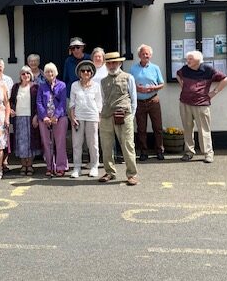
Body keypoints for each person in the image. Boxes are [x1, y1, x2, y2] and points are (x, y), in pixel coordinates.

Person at [176, 50, 227, 163]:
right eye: (187, 58)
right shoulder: (185, 69)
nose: (188, 61)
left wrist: (213, 92)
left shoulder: (207, 69)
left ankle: (208, 153)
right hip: (185, 103)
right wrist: (183, 87)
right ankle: (189, 152)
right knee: (187, 129)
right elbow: (178, 74)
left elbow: (225, 79)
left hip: (201, 104)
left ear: (198, 60)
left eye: (190, 59)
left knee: (204, 130)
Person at [98, 51, 139, 185]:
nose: (111, 65)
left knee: (127, 145)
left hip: (124, 115)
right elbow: (102, 99)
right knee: (106, 145)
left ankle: (132, 174)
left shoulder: (128, 77)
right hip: (106, 116)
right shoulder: (103, 81)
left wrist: (131, 116)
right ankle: (109, 172)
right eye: (109, 63)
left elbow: (133, 99)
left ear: (120, 63)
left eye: (114, 62)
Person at [130, 44, 165, 161]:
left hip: (153, 100)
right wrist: (136, 88)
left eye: (147, 54)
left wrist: (153, 88)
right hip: (139, 101)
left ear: (150, 55)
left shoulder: (155, 68)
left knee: (158, 127)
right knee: (141, 128)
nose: (145, 55)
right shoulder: (133, 68)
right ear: (139, 55)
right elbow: (129, 84)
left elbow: (162, 83)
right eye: (143, 54)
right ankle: (143, 152)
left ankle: (159, 150)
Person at [69, 60, 102, 178]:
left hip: (92, 117)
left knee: (93, 143)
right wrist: (72, 117)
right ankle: (77, 167)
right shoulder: (74, 85)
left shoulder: (96, 86)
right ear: (79, 73)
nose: (86, 73)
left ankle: (94, 166)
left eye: (88, 70)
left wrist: (99, 119)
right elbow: (72, 103)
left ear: (92, 73)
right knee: (77, 143)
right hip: (78, 117)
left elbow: (99, 104)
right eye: (83, 71)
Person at [37, 62, 68, 177]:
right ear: (44, 74)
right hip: (44, 119)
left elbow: (63, 102)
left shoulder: (62, 85)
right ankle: (49, 166)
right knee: (46, 143)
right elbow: (39, 102)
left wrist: (56, 116)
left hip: (59, 118)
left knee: (60, 143)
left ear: (55, 73)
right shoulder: (41, 86)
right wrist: (44, 116)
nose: (49, 73)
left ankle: (61, 167)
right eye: (47, 72)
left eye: (51, 71)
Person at [10, 66, 41, 176]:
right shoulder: (15, 87)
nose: (26, 75)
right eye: (23, 74)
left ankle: (30, 165)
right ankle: (23, 165)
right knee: (21, 143)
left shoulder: (35, 87)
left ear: (31, 75)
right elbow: (12, 101)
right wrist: (11, 109)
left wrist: (36, 116)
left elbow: (39, 102)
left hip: (30, 118)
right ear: (20, 76)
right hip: (19, 118)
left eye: (28, 73)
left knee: (30, 143)